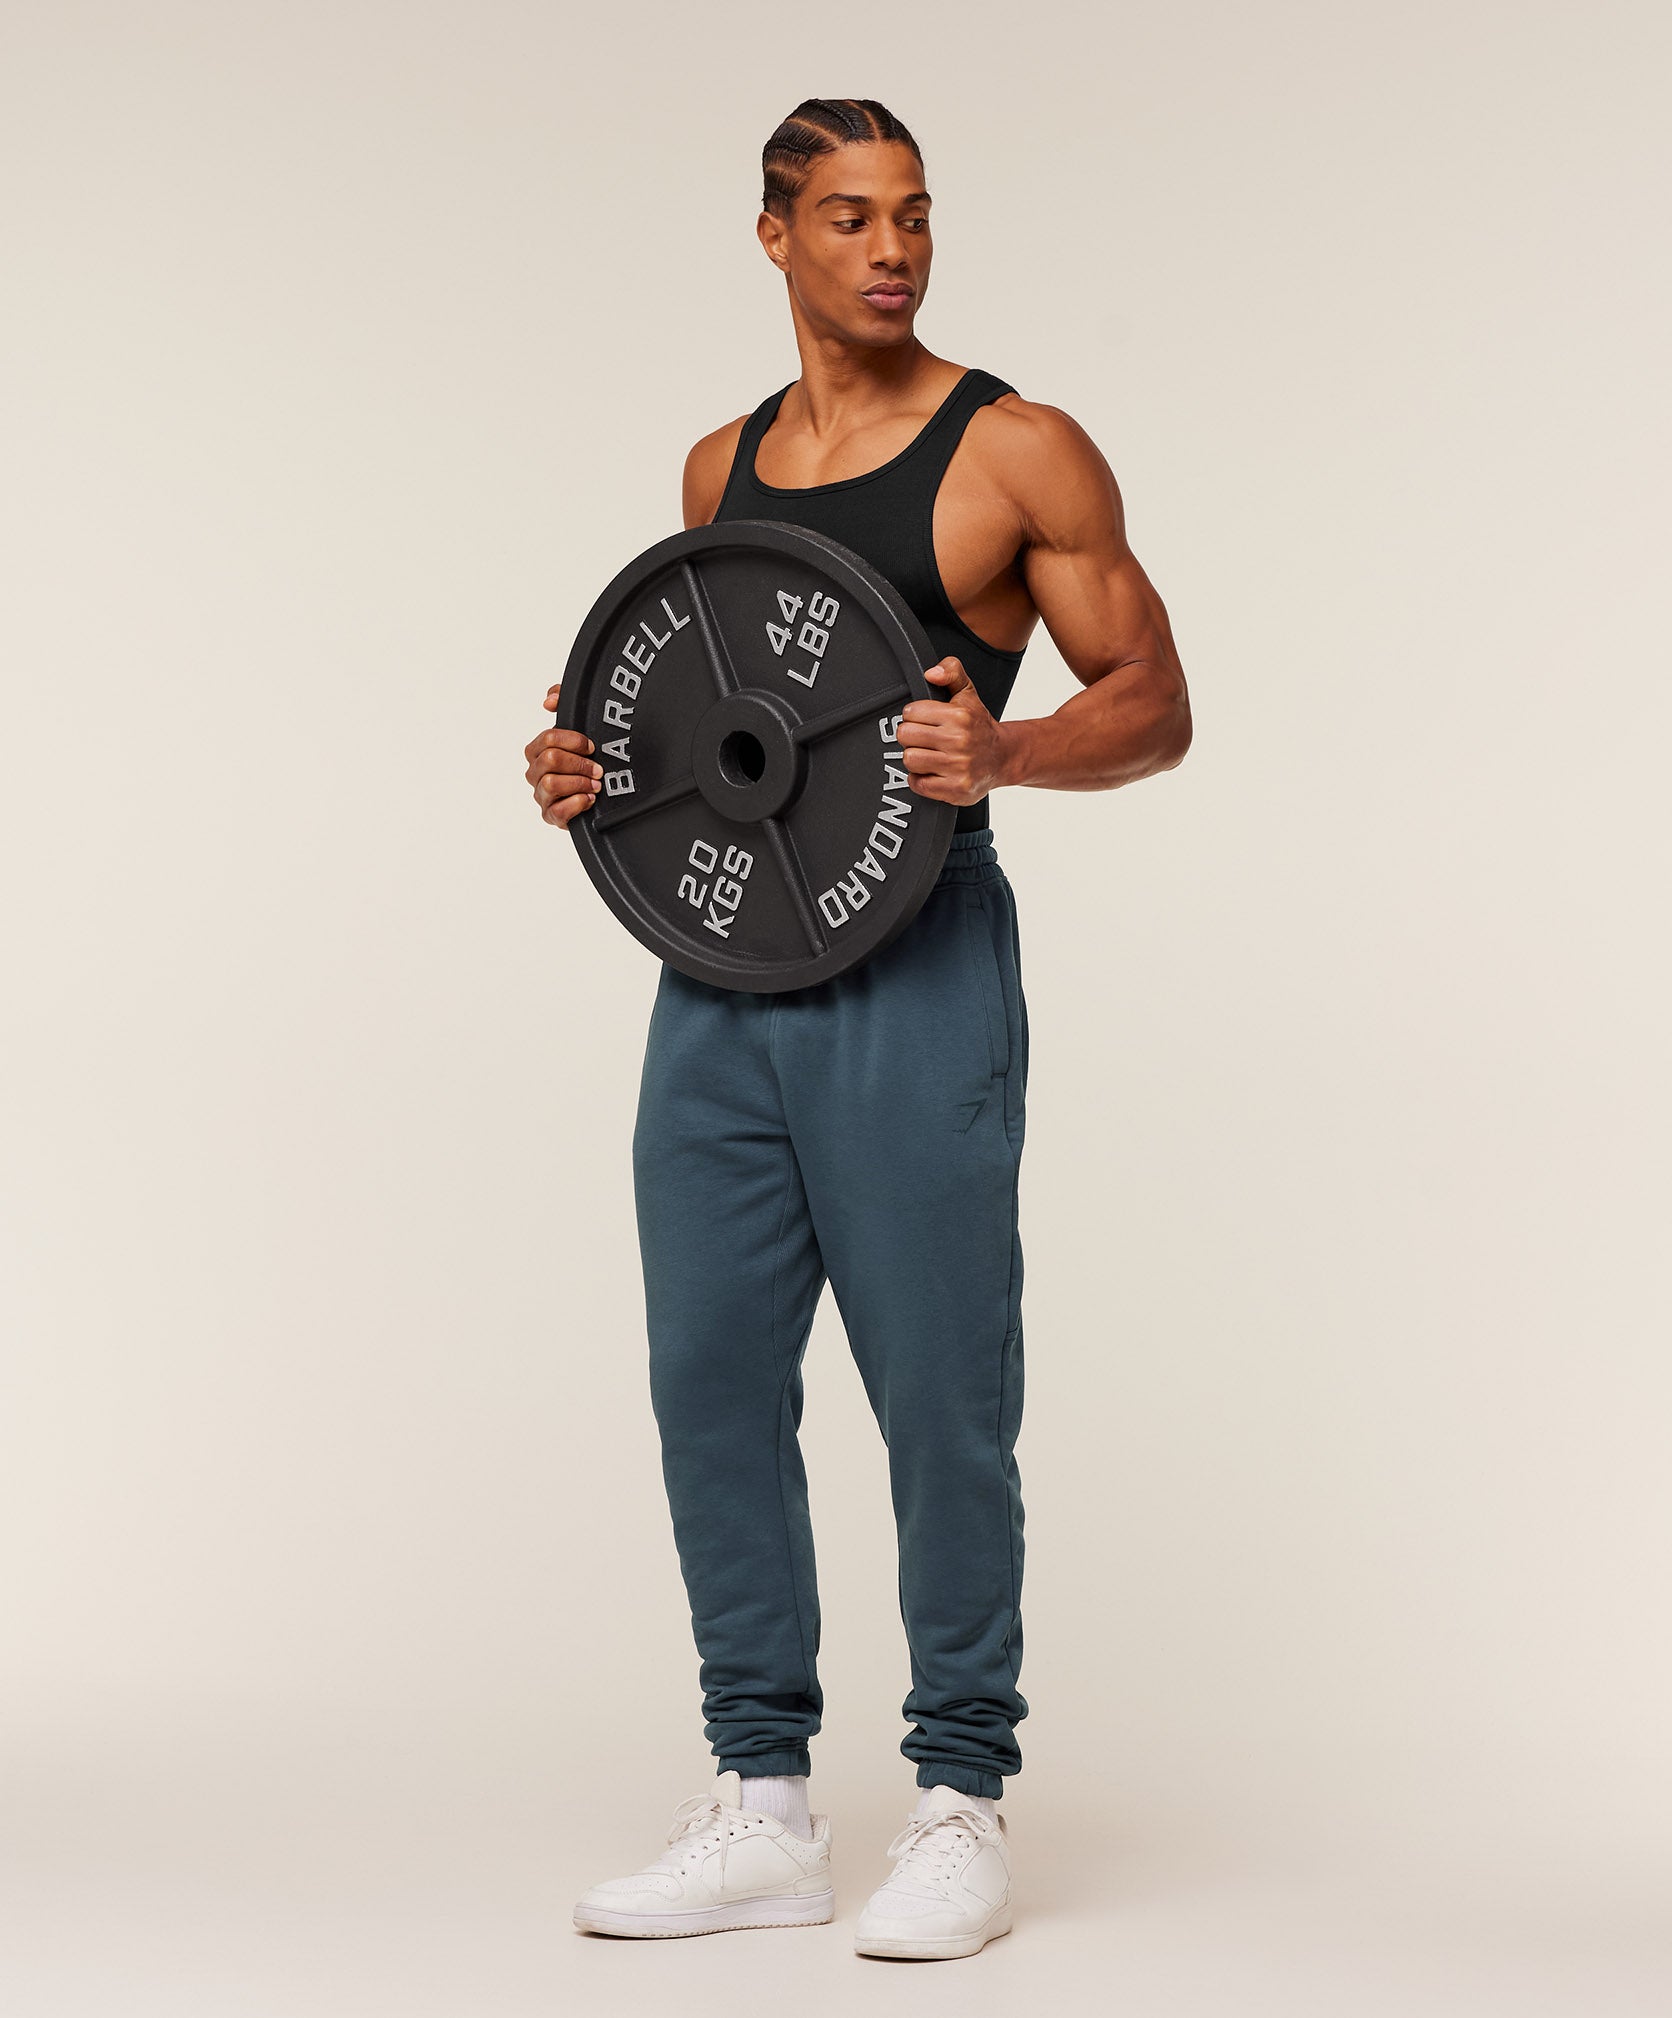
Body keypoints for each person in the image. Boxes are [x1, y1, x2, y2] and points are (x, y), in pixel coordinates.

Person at [523, 96, 1191, 1961]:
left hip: (917, 968)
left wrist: (1014, 748)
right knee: (709, 1377)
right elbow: (704, 728)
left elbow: (1157, 699)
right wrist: (595, 774)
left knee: (940, 1398)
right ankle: (763, 1804)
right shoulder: (718, 469)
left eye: (911, 214)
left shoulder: (1017, 450)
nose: (891, 249)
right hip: (723, 981)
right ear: (773, 236)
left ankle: (961, 1799)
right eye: (846, 216)